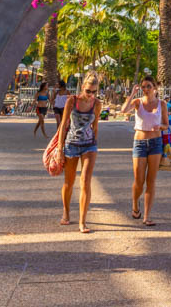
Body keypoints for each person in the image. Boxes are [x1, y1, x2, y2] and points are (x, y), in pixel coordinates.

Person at [119, 75, 167, 227]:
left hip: (156, 143)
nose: (146, 89)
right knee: (139, 181)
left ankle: (146, 216)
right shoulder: (137, 102)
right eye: (144, 87)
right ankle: (135, 203)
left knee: (151, 181)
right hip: (139, 143)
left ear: (155, 88)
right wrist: (133, 93)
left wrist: (160, 127)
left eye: (149, 86)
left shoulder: (162, 104)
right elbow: (123, 110)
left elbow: (166, 124)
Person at [56, 72, 101, 233]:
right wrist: (60, 149)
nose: (91, 95)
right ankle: (66, 213)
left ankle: (83, 221)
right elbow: (63, 125)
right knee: (69, 183)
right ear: (83, 88)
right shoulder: (72, 101)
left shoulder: (97, 104)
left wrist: (95, 141)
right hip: (71, 145)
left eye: (94, 92)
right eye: (88, 91)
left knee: (85, 181)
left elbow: (95, 126)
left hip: (89, 145)